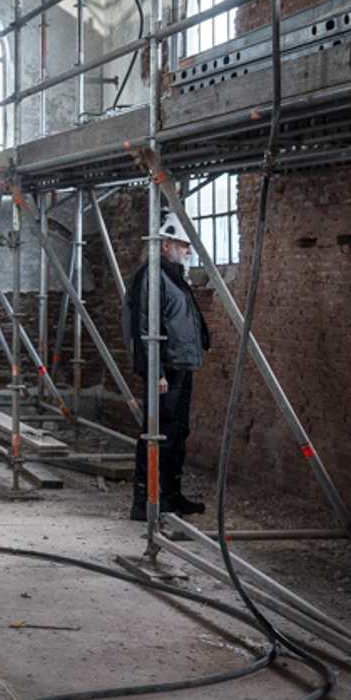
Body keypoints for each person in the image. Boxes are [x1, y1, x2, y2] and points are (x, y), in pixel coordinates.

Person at [123, 211, 212, 521]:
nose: (188, 251)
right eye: (183, 245)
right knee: (157, 432)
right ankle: (143, 501)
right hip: (166, 368)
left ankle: (170, 497)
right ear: (165, 244)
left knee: (177, 431)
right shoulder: (152, 276)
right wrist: (156, 371)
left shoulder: (173, 275)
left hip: (182, 364)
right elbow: (146, 326)